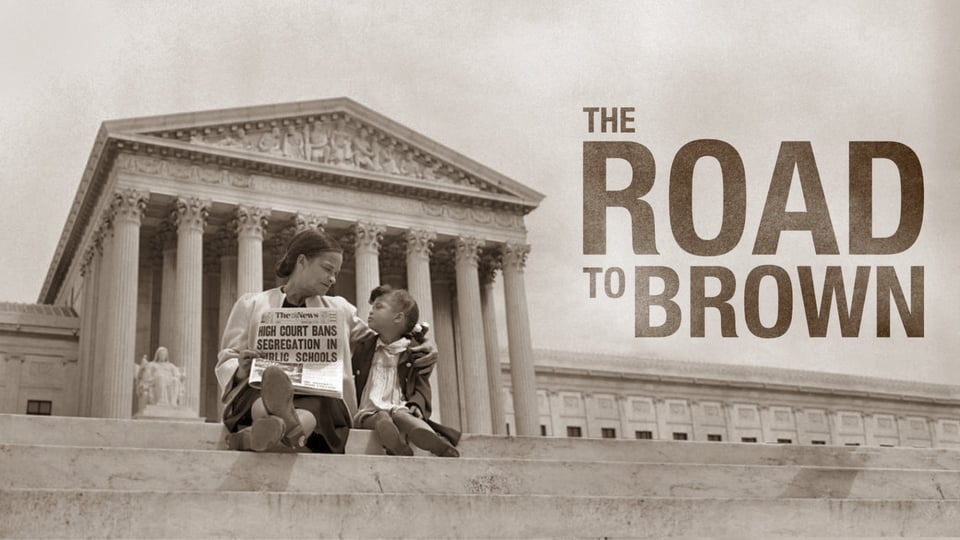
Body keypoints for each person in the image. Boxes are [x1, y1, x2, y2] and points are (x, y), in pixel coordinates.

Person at [215, 228, 437, 453]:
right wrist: (241, 369)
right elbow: (227, 359)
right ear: (302, 261)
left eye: (336, 273)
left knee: (322, 401)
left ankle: (269, 430)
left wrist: (417, 342)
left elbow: (383, 341)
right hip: (261, 388)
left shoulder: (340, 309)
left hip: (320, 396)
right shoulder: (252, 304)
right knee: (262, 393)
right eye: (327, 269)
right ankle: (286, 428)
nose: (332, 278)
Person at [352, 285, 460, 457]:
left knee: (404, 417)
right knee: (379, 418)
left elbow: (421, 384)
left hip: (400, 405)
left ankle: (435, 442)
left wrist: (417, 404)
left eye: (378, 307)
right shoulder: (363, 346)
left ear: (398, 318)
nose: (371, 312)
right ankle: (397, 445)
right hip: (369, 408)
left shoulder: (413, 351)